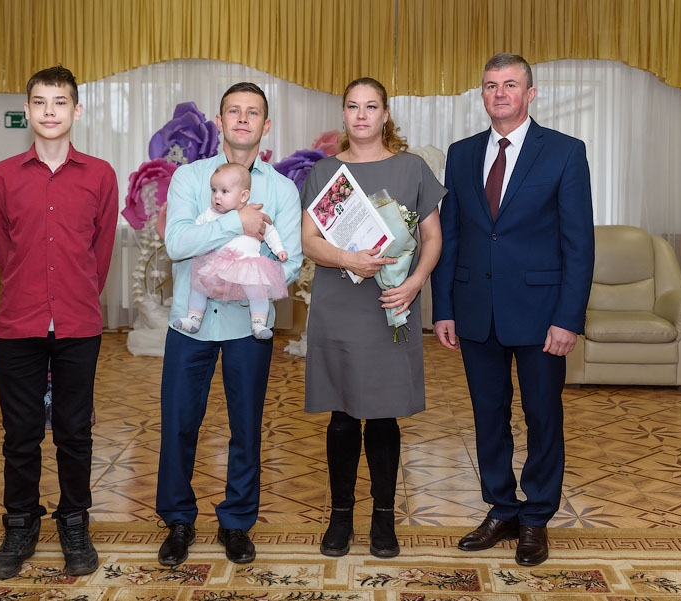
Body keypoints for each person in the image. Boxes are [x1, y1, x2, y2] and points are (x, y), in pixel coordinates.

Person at [430, 53, 595, 567]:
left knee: (543, 417)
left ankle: (537, 517)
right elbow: (450, 236)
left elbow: (579, 244)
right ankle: (501, 508)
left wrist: (568, 318)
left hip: (542, 314)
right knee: (488, 416)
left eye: (509, 84)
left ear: (530, 93)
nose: (499, 93)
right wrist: (444, 307)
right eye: (490, 85)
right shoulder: (461, 154)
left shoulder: (565, 152)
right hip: (475, 310)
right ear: (482, 95)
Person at [156, 82, 302, 566]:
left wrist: (238, 281)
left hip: (248, 325)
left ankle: (237, 522)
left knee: (246, 427)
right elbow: (177, 243)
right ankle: (178, 520)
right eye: (233, 111)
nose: (243, 119)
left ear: (266, 125)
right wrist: (236, 224)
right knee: (178, 424)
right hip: (190, 323)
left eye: (252, 112)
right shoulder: (190, 178)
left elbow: (290, 262)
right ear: (219, 122)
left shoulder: (281, 189)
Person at [300, 77, 445, 558]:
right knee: (342, 417)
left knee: (383, 416)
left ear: (385, 114)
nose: (361, 115)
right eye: (352, 106)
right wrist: (348, 259)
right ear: (343, 114)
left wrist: (415, 283)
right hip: (339, 305)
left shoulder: (412, 168)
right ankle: (341, 518)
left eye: (370, 106)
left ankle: (384, 518)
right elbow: (308, 241)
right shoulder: (325, 173)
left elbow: (432, 238)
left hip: (392, 305)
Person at [0, 65, 118, 579]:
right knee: (19, 436)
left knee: (74, 433)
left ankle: (74, 522)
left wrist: (74, 298)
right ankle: (20, 524)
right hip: (17, 324)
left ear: (76, 110)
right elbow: (4, 249)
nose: (49, 111)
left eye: (60, 102)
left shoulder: (101, 175)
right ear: (27, 110)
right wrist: (30, 294)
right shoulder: (3, 175)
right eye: (40, 102)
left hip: (78, 325)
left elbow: (100, 254)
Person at [174, 162, 289, 340]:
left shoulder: (255, 211)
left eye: (224, 191)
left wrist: (279, 249)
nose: (216, 196)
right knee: (199, 285)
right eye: (214, 190)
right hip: (219, 263)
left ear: (243, 196)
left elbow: (270, 231)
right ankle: (194, 318)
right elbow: (194, 232)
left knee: (258, 292)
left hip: (248, 264)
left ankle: (258, 322)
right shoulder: (210, 213)